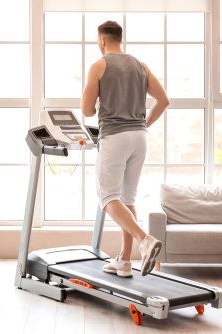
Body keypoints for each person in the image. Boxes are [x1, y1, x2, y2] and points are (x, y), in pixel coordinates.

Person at [81, 21, 169, 277]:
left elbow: (87, 110)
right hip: (139, 137)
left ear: (102, 40)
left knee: (108, 197)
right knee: (127, 198)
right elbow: (164, 101)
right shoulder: (141, 66)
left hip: (114, 136)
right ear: (120, 38)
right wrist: (142, 123)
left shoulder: (99, 65)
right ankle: (124, 261)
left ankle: (145, 239)